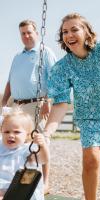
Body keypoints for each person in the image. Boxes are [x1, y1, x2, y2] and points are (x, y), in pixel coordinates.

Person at [44, 13, 100, 200]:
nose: (69, 34)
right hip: (88, 117)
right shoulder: (63, 67)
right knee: (91, 160)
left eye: (74, 29)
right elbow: (61, 103)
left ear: (87, 32)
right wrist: (47, 132)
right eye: (64, 31)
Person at [1, 19, 56, 194]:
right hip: (15, 105)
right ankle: (10, 180)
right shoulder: (17, 57)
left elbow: (53, 78)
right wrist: (3, 103)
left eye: (29, 32)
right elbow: (10, 82)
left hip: (36, 103)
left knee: (39, 141)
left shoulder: (45, 52)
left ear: (36, 33)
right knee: (11, 139)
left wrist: (48, 101)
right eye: (22, 33)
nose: (26, 36)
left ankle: (45, 183)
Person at [0, 108, 50, 200]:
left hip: (21, 191)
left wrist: (43, 146)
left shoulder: (28, 150)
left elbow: (44, 159)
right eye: (6, 132)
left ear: (27, 135)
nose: (11, 135)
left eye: (16, 132)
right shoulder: (1, 147)